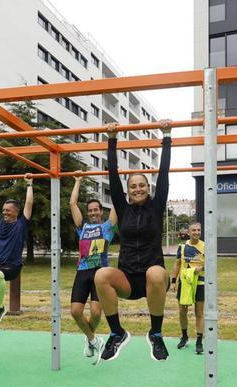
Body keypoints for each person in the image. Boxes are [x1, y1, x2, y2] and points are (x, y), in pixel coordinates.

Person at [94, 120, 173, 362]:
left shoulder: (156, 207)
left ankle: (156, 333)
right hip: (127, 279)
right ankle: (117, 333)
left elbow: (164, 174)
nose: (137, 189)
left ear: (147, 189)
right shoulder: (123, 208)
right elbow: (113, 174)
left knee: (157, 274)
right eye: (133, 187)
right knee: (101, 275)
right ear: (128, 191)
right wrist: (111, 139)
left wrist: (167, 137)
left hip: (153, 280)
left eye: (141, 186)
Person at [69, 175, 117, 359]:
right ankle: (92, 340)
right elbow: (73, 203)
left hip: (101, 274)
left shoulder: (107, 227)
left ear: (101, 211)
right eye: (90, 210)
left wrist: (117, 177)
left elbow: (117, 205)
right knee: (75, 312)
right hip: (82, 272)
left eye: (96, 209)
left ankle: (90, 341)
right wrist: (78, 181)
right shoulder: (82, 227)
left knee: (96, 313)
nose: (93, 212)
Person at [0, 174, 34, 325]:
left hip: (12, 266)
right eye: (4, 210)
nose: (4, 212)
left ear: (16, 212)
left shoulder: (21, 224)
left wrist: (29, 184)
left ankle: (0, 307)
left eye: (8, 210)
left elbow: (29, 203)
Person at [170, 222, 206, 355]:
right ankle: (184, 337)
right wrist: (173, 281)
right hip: (185, 284)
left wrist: (200, 268)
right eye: (194, 230)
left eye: (198, 230)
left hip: (200, 283)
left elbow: (211, 265)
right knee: (182, 311)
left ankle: (199, 340)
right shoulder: (183, 247)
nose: (196, 232)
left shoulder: (206, 247)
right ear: (189, 233)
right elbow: (177, 264)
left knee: (199, 312)